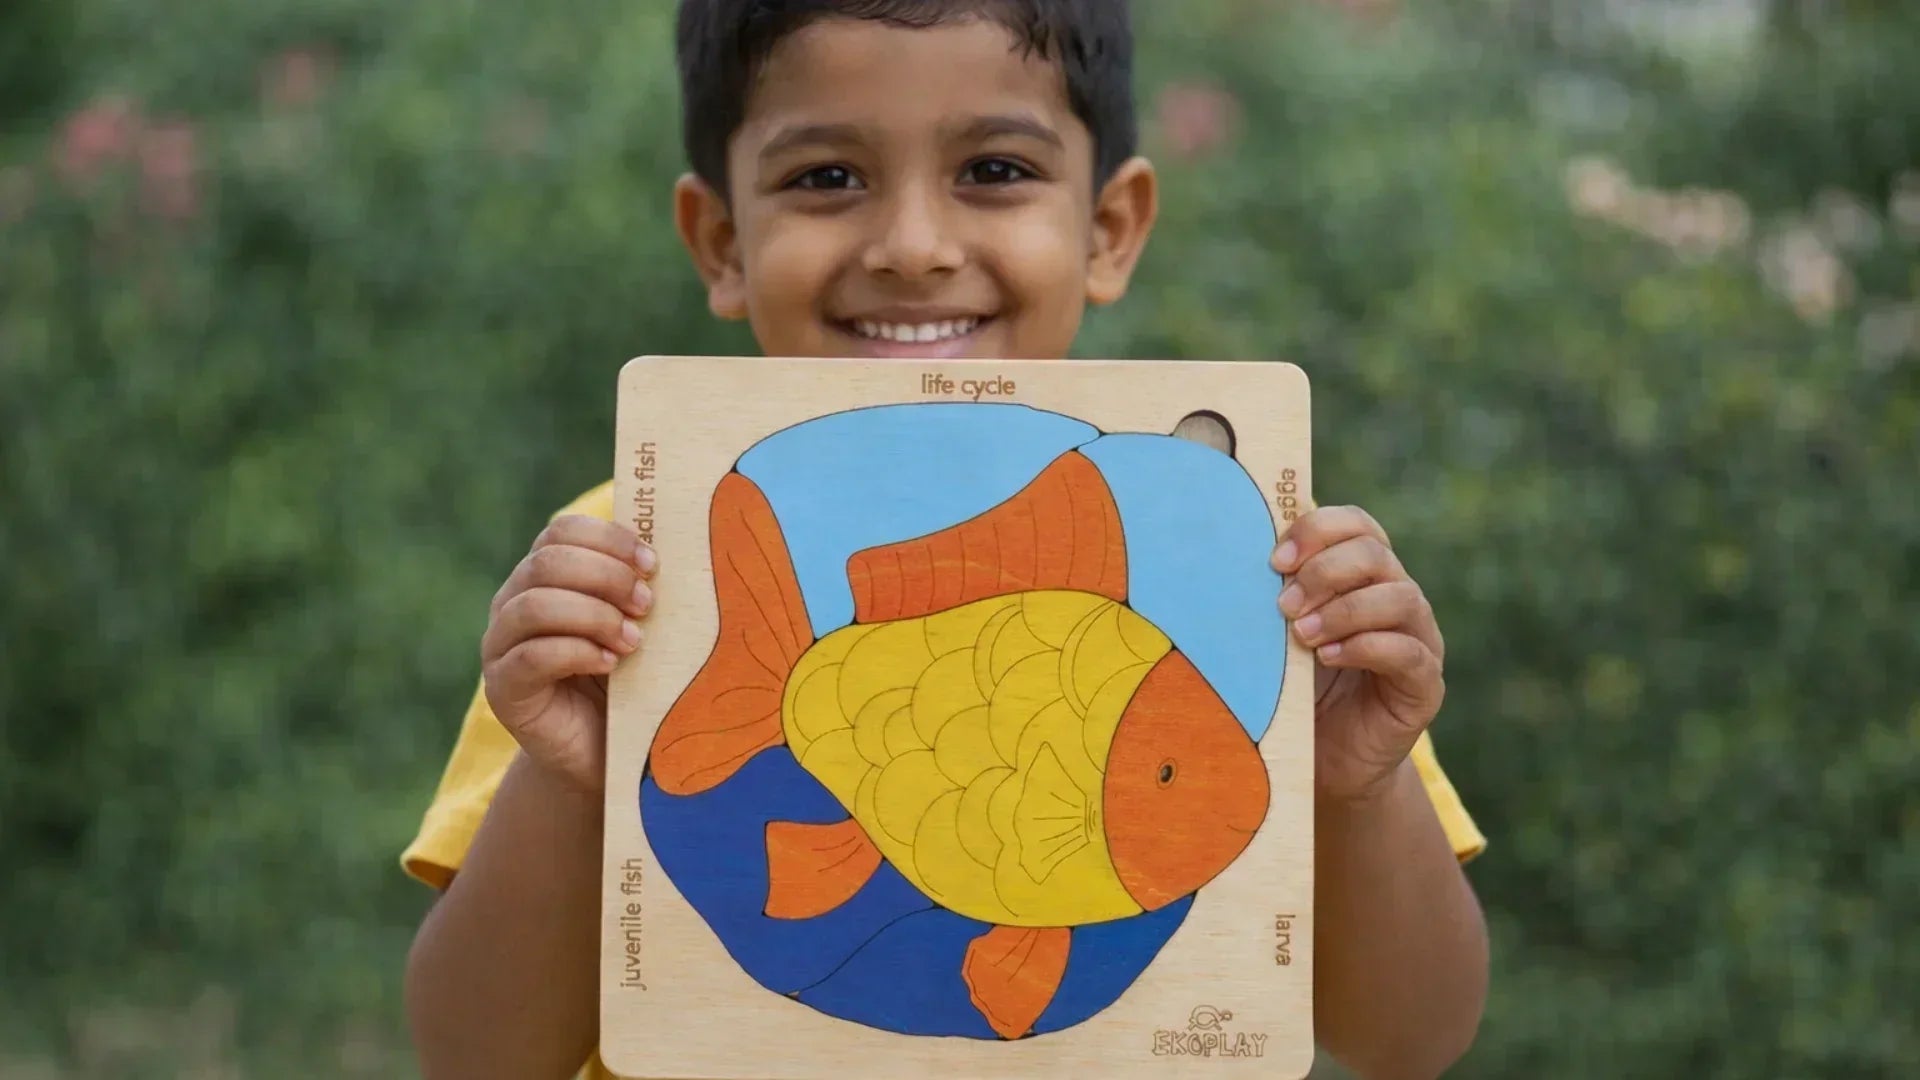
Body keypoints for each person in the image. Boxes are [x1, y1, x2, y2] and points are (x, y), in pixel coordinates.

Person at [401, 2, 1490, 1077]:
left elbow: (1408, 1042)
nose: (914, 248)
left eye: (995, 171)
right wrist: (571, 781)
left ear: (1108, 230)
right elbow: (475, 1057)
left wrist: (1358, 784)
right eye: (826, 178)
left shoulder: (1263, 572)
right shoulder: (616, 567)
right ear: (722, 244)